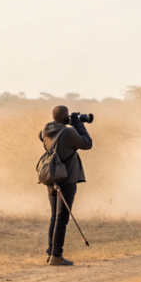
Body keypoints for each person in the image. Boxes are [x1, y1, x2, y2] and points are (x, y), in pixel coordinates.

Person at [39, 105, 92, 266]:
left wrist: (67, 122)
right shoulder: (68, 132)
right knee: (62, 218)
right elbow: (87, 143)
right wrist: (77, 124)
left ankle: (50, 253)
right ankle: (56, 256)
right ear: (65, 117)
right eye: (68, 116)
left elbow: (41, 136)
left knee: (55, 216)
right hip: (66, 179)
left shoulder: (46, 130)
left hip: (51, 178)